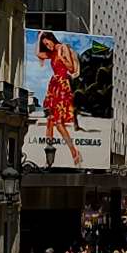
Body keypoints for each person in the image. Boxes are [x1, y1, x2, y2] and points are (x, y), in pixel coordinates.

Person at [35, 31, 82, 164]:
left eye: (47, 43)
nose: (47, 46)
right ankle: (49, 155)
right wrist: (39, 37)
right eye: (45, 44)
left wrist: (62, 58)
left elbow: (71, 68)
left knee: (58, 122)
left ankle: (73, 151)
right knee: (50, 120)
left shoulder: (63, 48)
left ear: (52, 39)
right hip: (53, 86)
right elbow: (38, 54)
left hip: (62, 86)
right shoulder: (51, 53)